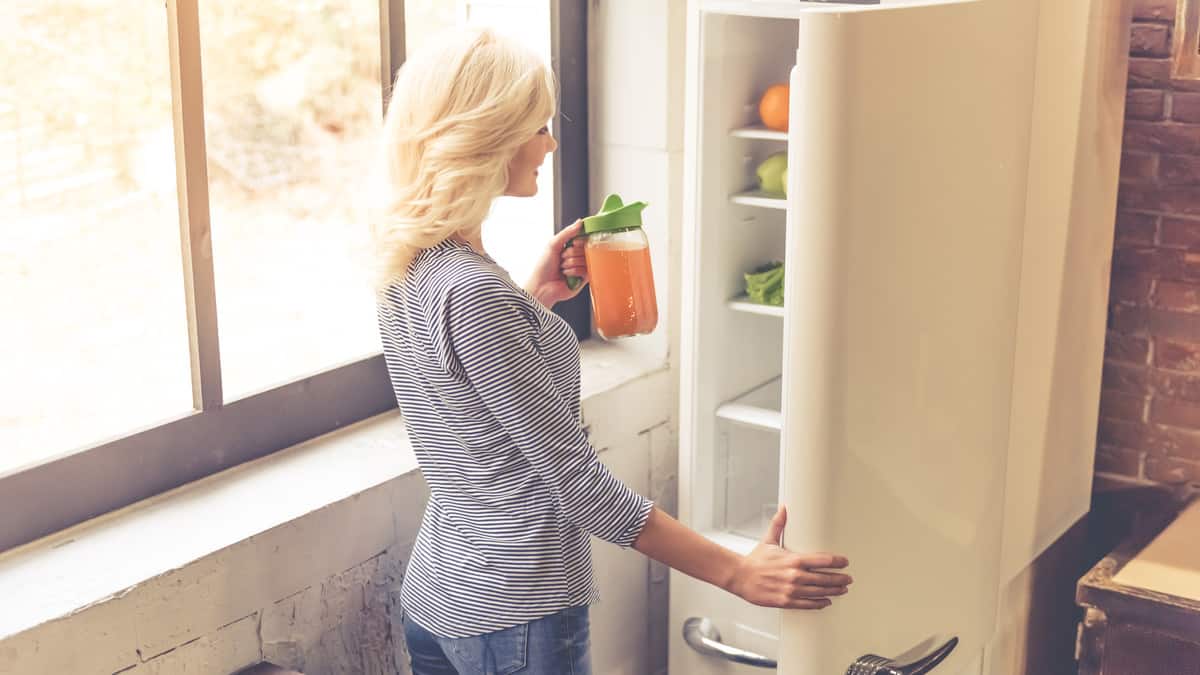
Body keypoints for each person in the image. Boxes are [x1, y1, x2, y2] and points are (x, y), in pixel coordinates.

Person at [371, 28, 852, 675]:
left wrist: (533, 300)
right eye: (537, 126)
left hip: (442, 598)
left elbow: (471, 402)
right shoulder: (473, 293)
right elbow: (580, 486)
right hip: (518, 613)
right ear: (488, 138)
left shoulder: (411, 263)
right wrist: (737, 572)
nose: (550, 143)